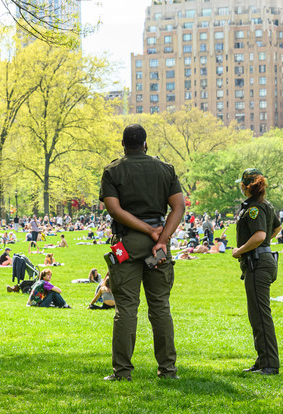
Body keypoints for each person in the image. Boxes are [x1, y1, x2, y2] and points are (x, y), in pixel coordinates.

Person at [99, 124, 184, 381]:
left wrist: (147, 230)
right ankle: (167, 370)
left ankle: (122, 372)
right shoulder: (165, 169)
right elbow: (178, 207)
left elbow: (114, 210)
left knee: (126, 308)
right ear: (146, 144)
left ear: (123, 145)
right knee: (160, 307)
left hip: (127, 242)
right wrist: (161, 237)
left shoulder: (113, 170)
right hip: (159, 241)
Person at [232, 168, 282, 376]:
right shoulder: (266, 205)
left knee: (261, 316)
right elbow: (277, 228)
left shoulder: (254, 208)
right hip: (264, 260)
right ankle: (263, 359)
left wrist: (240, 250)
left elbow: (260, 235)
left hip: (257, 263)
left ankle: (270, 364)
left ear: (245, 186)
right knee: (257, 315)